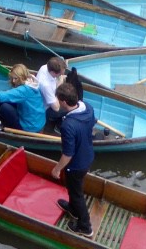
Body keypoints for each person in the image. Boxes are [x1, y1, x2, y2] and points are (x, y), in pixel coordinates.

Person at [51, 82, 96, 238]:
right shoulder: (88, 108)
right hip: (88, 155)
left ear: (63, 101)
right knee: (72, 189)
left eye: (58, 99)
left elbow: (68, 154)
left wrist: (57, 169)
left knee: (77, 194)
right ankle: (72, 209)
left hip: (76, 165)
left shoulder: (68, 125)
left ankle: (85, 226)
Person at [0, 63, 46, 132]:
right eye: (12, 78)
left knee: (4, 107)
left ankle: (8, 125)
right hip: (37, 122)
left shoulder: (24, 90)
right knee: (0, 101)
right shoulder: (31, 81)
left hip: (29, 127)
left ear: (21, 77)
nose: (13, 81)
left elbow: (8, 94)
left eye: (15, 78)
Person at [36, 56, 68, 126]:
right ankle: (57, 124)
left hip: (51, 96)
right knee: (68, 107)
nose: (61, 75)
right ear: (54, 73)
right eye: (60, 74)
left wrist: (60, 78)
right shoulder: (46, 85)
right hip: (45, 108)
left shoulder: (45, 67)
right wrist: (59, 86)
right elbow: (56, 108)